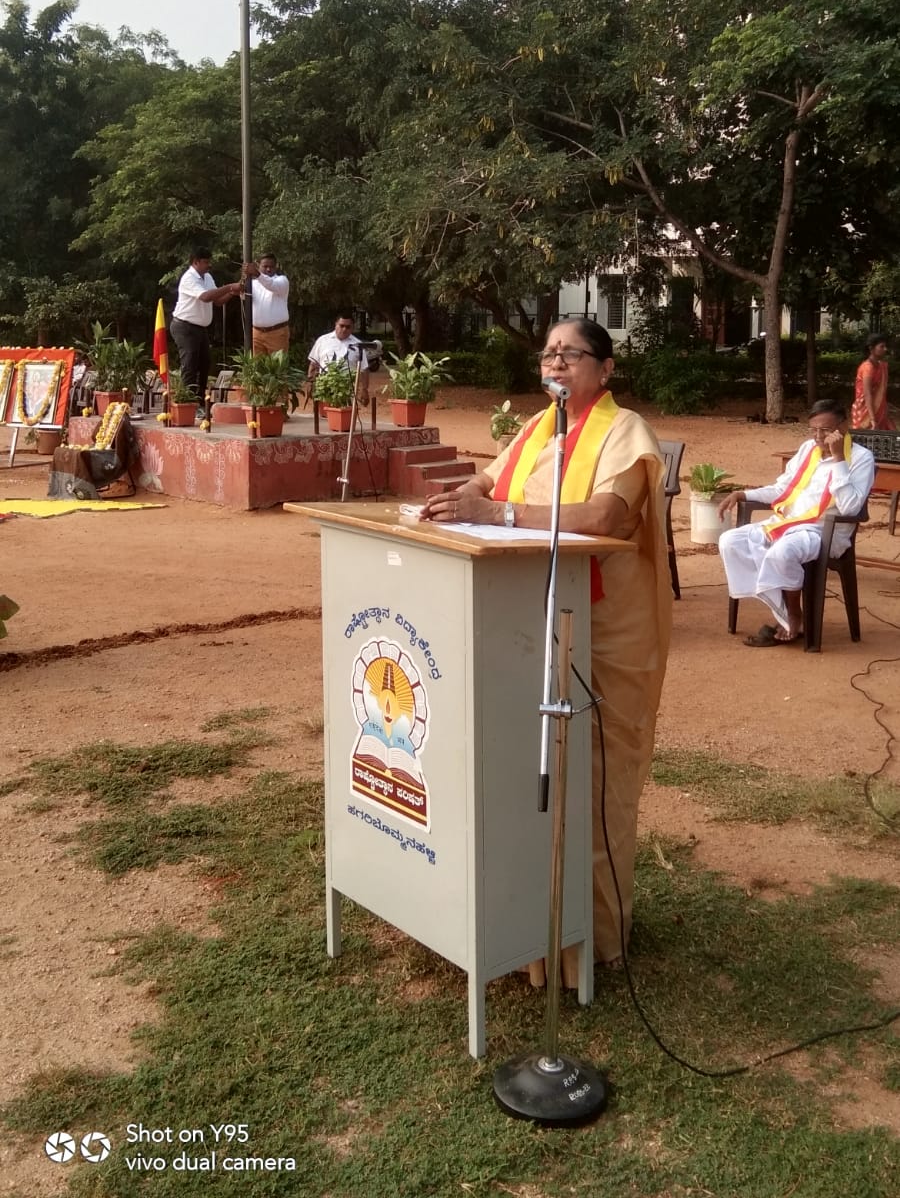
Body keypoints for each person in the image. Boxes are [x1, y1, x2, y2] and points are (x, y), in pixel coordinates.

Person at [419, 319, 671, 969]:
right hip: (531, 624)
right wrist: (463, 498)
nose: (556, 364)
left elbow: (607, 517)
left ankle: (596, 940)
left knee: (597, 786)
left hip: (605, 632)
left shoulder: (625, 431)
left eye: (572, 354)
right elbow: (485, 483)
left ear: (605, 369)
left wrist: (498, 514)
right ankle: (531, 936)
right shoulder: (535, 430)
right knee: (529, 782)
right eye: (549, 353)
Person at [718, 398, 875, 646]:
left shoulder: (861, 458)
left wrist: (838, 461)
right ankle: (781, 612)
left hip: (825, 530)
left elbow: (850, 507)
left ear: (843, 426)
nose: (818, 437)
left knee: (782, 553)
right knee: (730, 540)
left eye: (825, 430)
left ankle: (793, 615)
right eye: (813, 430)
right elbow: (782, 488)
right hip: (788, 523)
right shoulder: (807, 450)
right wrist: (743, 494)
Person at [170, 248, 242, 406]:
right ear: (195, 262)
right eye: (205, 262)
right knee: (190, 363)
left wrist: (232, 292)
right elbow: (205, 297)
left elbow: (217, 300)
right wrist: (230, 286)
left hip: (200, 328)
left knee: (204, 363)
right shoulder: (189, 278)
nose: (209, 265)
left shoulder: (207, 277)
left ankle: (200, 402)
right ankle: (186, 403)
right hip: (184, 326)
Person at [307, 311, 369, 404]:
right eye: (341, 325)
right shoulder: (323, 340)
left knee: (344, 417)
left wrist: (364, 389)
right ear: (336, 324)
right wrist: (310, 382)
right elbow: (313, 363)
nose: (344, 329)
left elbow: (364, 369)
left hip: (347, 392)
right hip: (325, 389)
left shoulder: (358, 345)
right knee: (324, 416)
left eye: (348, 327)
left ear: (352, 327)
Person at [243, 252, 291, 355]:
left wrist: (256, 273)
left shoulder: (282, 280)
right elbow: (243, 295)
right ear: (258, 265)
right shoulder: (253, 284)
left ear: (276, 267)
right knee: (257, 369)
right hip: (257, 333)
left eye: (271, 267)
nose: (268, 269)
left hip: (277, 333)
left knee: (278, 369)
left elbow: (271, 285)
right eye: (265, 266)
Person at [850, 334, 893, 431]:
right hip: (865, 410)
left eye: (885, 346)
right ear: (871, 348)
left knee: (890, 437)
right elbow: (867, 394)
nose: (885, 349)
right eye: (882, 346)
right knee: (866, 440)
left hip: (879, 409)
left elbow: (881, 391)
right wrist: (873, 419)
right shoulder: (867, 367)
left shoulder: (882, 366)